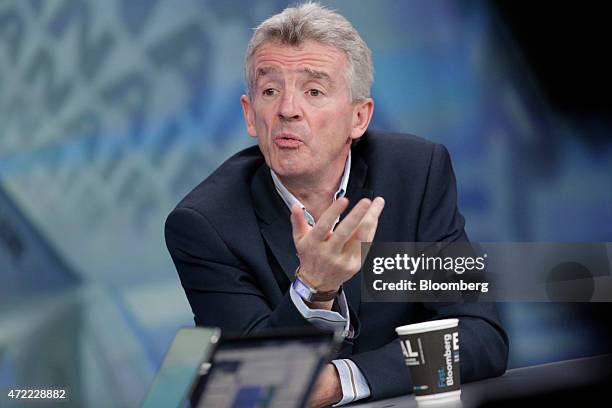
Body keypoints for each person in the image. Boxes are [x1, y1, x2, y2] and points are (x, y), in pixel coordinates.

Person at [165, 3, 508, 406]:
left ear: (358, 118)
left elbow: (480, 338)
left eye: (313, 91)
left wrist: (341, 380)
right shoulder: (205, 224)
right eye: (270, 90)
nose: (288, 109)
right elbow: (250, 389)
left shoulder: (414, 175)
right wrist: (313, 288)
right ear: (251, 115)